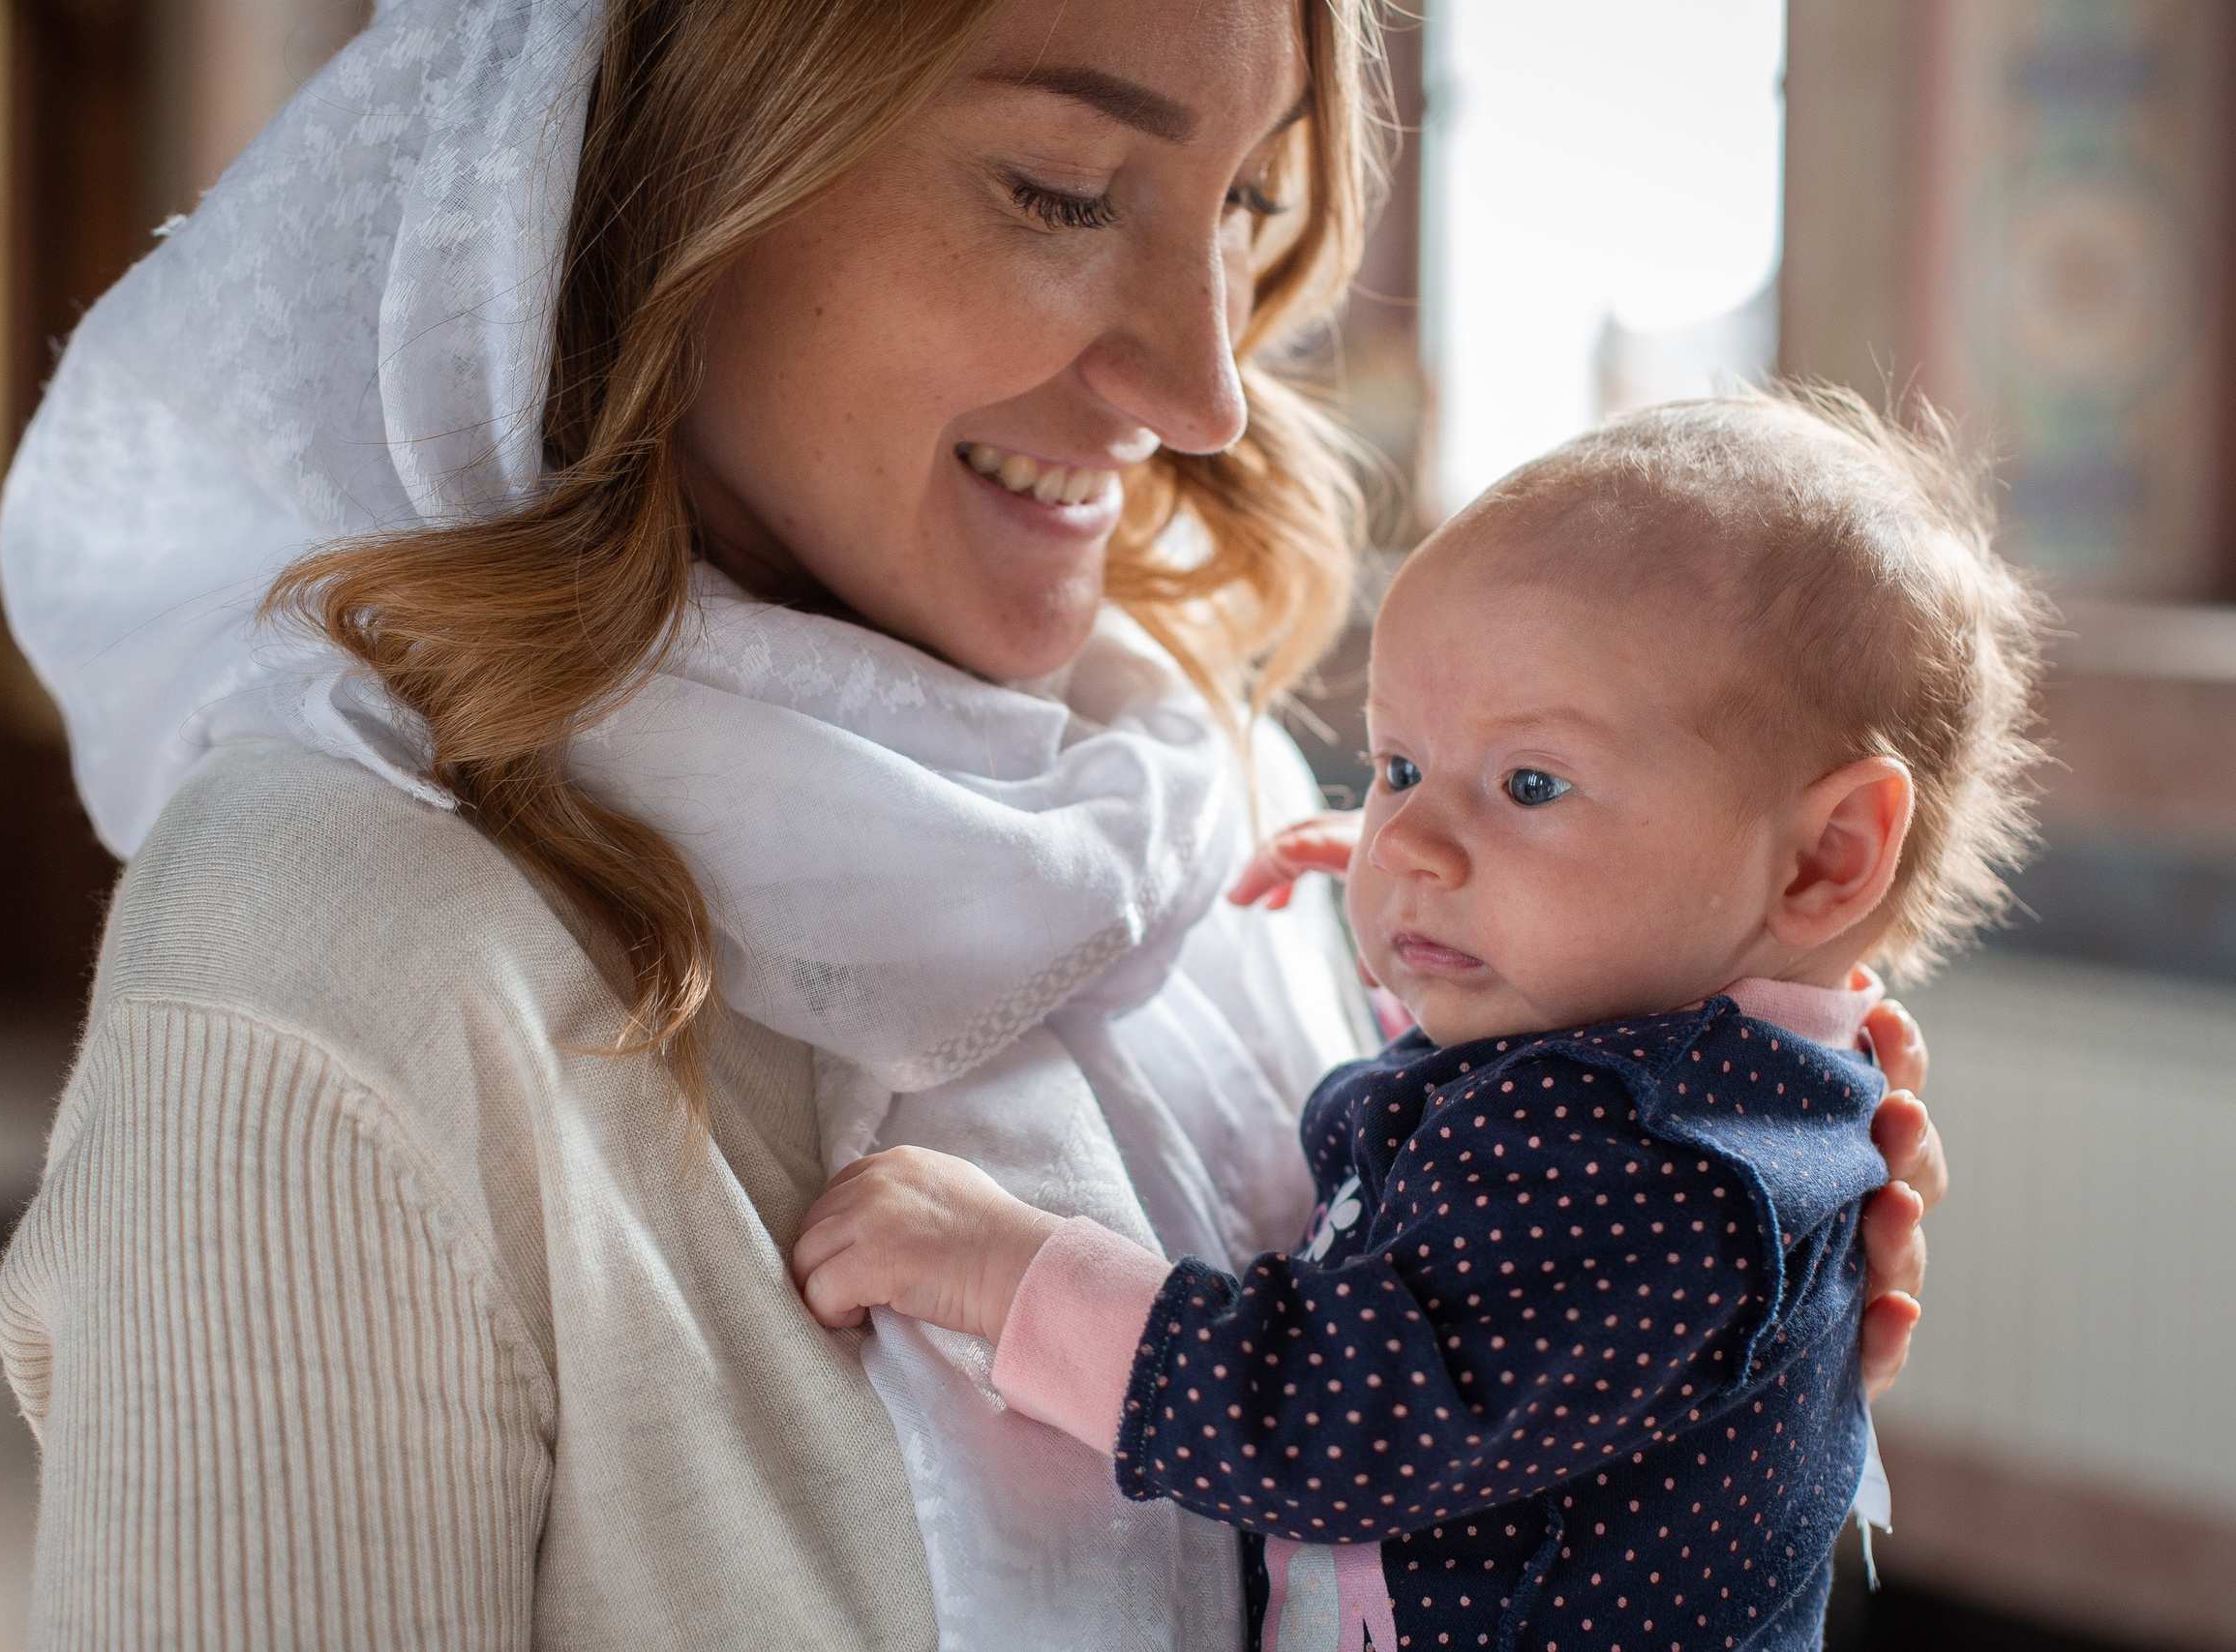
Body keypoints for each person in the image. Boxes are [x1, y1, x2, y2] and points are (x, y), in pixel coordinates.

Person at [0, 0, 1947, 1644]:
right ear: (653, 171)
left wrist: (1679, 1354)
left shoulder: (1226, 808)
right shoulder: (326, 958)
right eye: (1062, 191)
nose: (1204, 389)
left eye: (1244, 204)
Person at [791, 388, 2034, 1651]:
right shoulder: (1717, 1082)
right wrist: (1457, 904)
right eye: (1398, 768)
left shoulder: (1657, 1158)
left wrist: (1007, 1273)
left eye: (1530, 783)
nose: (1407, 843)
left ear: (1827, 857)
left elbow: (1343, 1423)